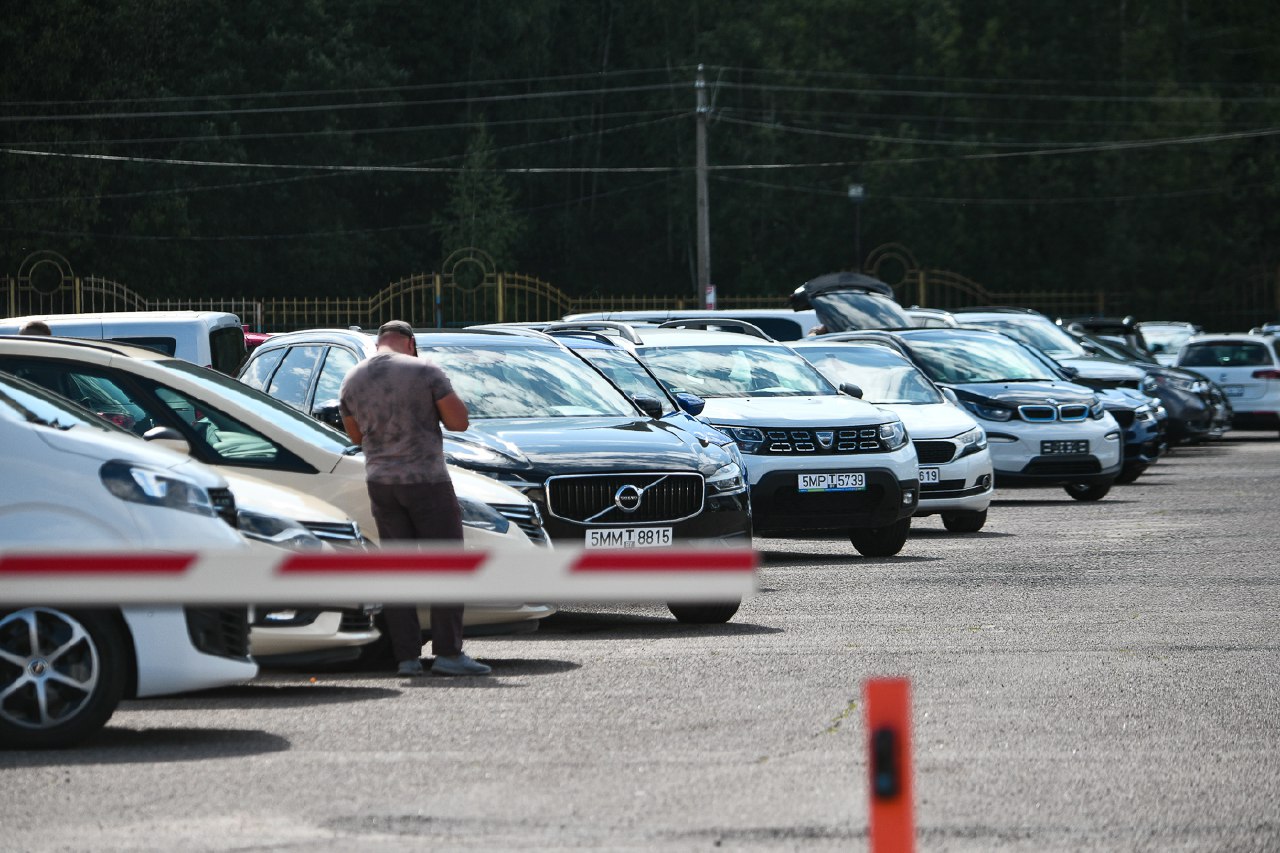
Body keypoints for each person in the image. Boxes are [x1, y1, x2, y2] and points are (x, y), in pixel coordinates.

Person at [338, 319, 491, 677]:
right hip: (426, 481)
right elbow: (458, 422)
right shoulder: (425, 370)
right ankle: (448, 654)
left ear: (379, 343)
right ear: (410, 342)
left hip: (381, 483)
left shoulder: (352, 379)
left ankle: (406, 658)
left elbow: (356, 435)